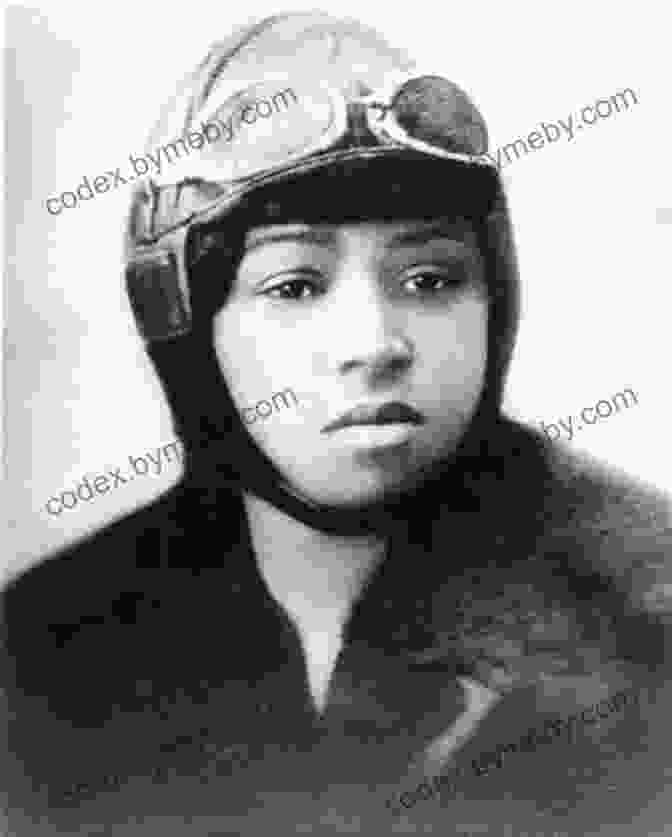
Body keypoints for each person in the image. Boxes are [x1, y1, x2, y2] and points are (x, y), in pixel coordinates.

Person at [5, 11, 672, 836]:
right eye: (294, 286)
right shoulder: (42, 650)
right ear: (185, 327)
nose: (375, 345)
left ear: (496, 301)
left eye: (430, 279)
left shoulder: (650, 616)